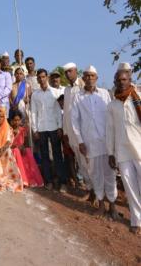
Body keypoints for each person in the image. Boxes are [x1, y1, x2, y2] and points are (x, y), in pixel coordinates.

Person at [71, 66, 117, 218]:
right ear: (82, 78)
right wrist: (80, 141)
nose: (89, 78)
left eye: (92, 76)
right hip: (90, 143)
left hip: (106, 143)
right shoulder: (78, 97)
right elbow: (75, 121)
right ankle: (101, 205)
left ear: (96, 78)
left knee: (110, 174)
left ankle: (113, 207)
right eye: (87, 76)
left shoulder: (104, 94)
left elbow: (111, 119)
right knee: (96, 175)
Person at [107, 71, 141, 234]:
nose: (121, 82)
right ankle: (136, 220)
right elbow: (110, 130)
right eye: (118, 80)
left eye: (124, 79)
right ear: (115, 81)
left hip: (139, 148)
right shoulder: (113, 105)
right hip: (122, 150)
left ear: (130, 80)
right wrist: (111, 152)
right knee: (130, 187)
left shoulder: (138, 97)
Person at [31, 69, 66, 192]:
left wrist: (60, 127)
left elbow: (58, 112)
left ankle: (62, 182)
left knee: (57, 156)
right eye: (39, 77)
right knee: (44, 156)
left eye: (43, 77)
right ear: (37, 79)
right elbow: (33, 112)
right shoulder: (35, 95)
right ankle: (49, 181)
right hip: (41, 128)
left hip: (54, 127)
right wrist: (34, 129)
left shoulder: (55, 92)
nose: (41, 79)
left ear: (47, 77)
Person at [63, 62, 92, 194]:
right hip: (71, 132)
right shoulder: (66, 90)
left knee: (89, 162)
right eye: (66, 72)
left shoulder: (83, 85)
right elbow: (66, 112)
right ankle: (90, 190)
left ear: (76, 71)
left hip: (84, 132)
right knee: (81, 163)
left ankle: (97, 193)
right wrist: (65, 131)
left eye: (70, 71)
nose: (68, 74)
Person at [0, 109, 23, 192]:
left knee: (8, 152)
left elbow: (8, 141)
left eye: (1, 117)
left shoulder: (7, 127)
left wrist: (2, 148)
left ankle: (9, 177)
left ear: (4, 118)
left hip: (4, 148)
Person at [10, 111, 44, 187]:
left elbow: (25, 143)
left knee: (28, 151)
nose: (17, 122)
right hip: (13, 151)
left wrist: (23, 147)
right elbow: (8, 145)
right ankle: (23, 179)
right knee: (17, 151)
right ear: (11, 121)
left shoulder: (22, 130)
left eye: (18, 120)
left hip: (21, 149)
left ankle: (30, 178)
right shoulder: (9, 130)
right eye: (15, 120)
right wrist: (16, 146)